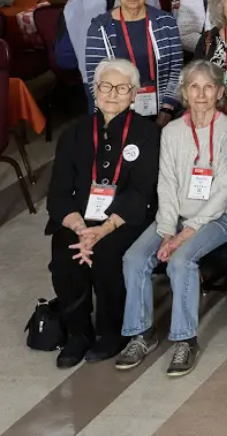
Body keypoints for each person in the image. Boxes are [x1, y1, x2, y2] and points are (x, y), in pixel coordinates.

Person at [114, 61, 227, 376]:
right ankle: (141, 334)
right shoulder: (171, 131)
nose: (201, 94)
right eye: (194, 86)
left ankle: (185, 340)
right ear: (184, 92)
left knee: (181, 261)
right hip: (176, 215)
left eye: (208, 87)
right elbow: (165, 184)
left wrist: (184, 235)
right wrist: (168, 229)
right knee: (134, 258)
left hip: (217, 217)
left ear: (219, 92)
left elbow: (225, 189)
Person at [45, 58, 160, 366]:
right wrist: (80, 227)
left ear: (133, 94)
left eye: (122, 88)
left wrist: (104, 228)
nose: (112, 94)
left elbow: (143, 190)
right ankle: (78, 333)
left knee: (108, 253)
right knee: (64, 251)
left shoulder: (147, 133)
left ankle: (112, 331)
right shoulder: (74, 133)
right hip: (80, 219)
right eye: (106, 86)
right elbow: (58, 191)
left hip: (124, 219)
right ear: (94, 90)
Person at [83, 0, 182, 119]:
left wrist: (167, 109)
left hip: (162, 111)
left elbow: (176, 70)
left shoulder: (166, 22)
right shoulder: (100, 28)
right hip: (116, 113)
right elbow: (95, 78)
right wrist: (113, 116)